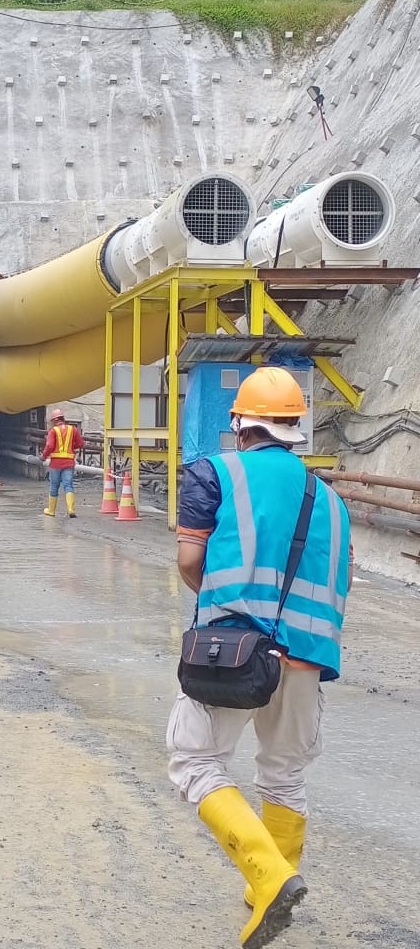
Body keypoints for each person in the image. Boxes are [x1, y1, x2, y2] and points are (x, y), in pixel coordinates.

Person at [167, 366, 351, 949]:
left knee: (195, 760)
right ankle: (265, 890)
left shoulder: (214, 473)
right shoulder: (331, 499)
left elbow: (190, 561)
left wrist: (227, 603)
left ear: (239, 426)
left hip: (236, 650)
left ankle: (267, 877)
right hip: (307, 656)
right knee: (285, 773)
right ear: (296, 428)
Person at [41, 408, 85, 517]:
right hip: (69, 463)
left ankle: (51, 511)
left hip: (56, 464)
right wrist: (71, 446)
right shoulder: (73, 429)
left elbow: (50, 446)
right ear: (63, 419)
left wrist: (43, 456)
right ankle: (71, 509)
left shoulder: (53, 431)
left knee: (54, 486)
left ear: (54, 420)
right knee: (68, 485)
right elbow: (81, 443)